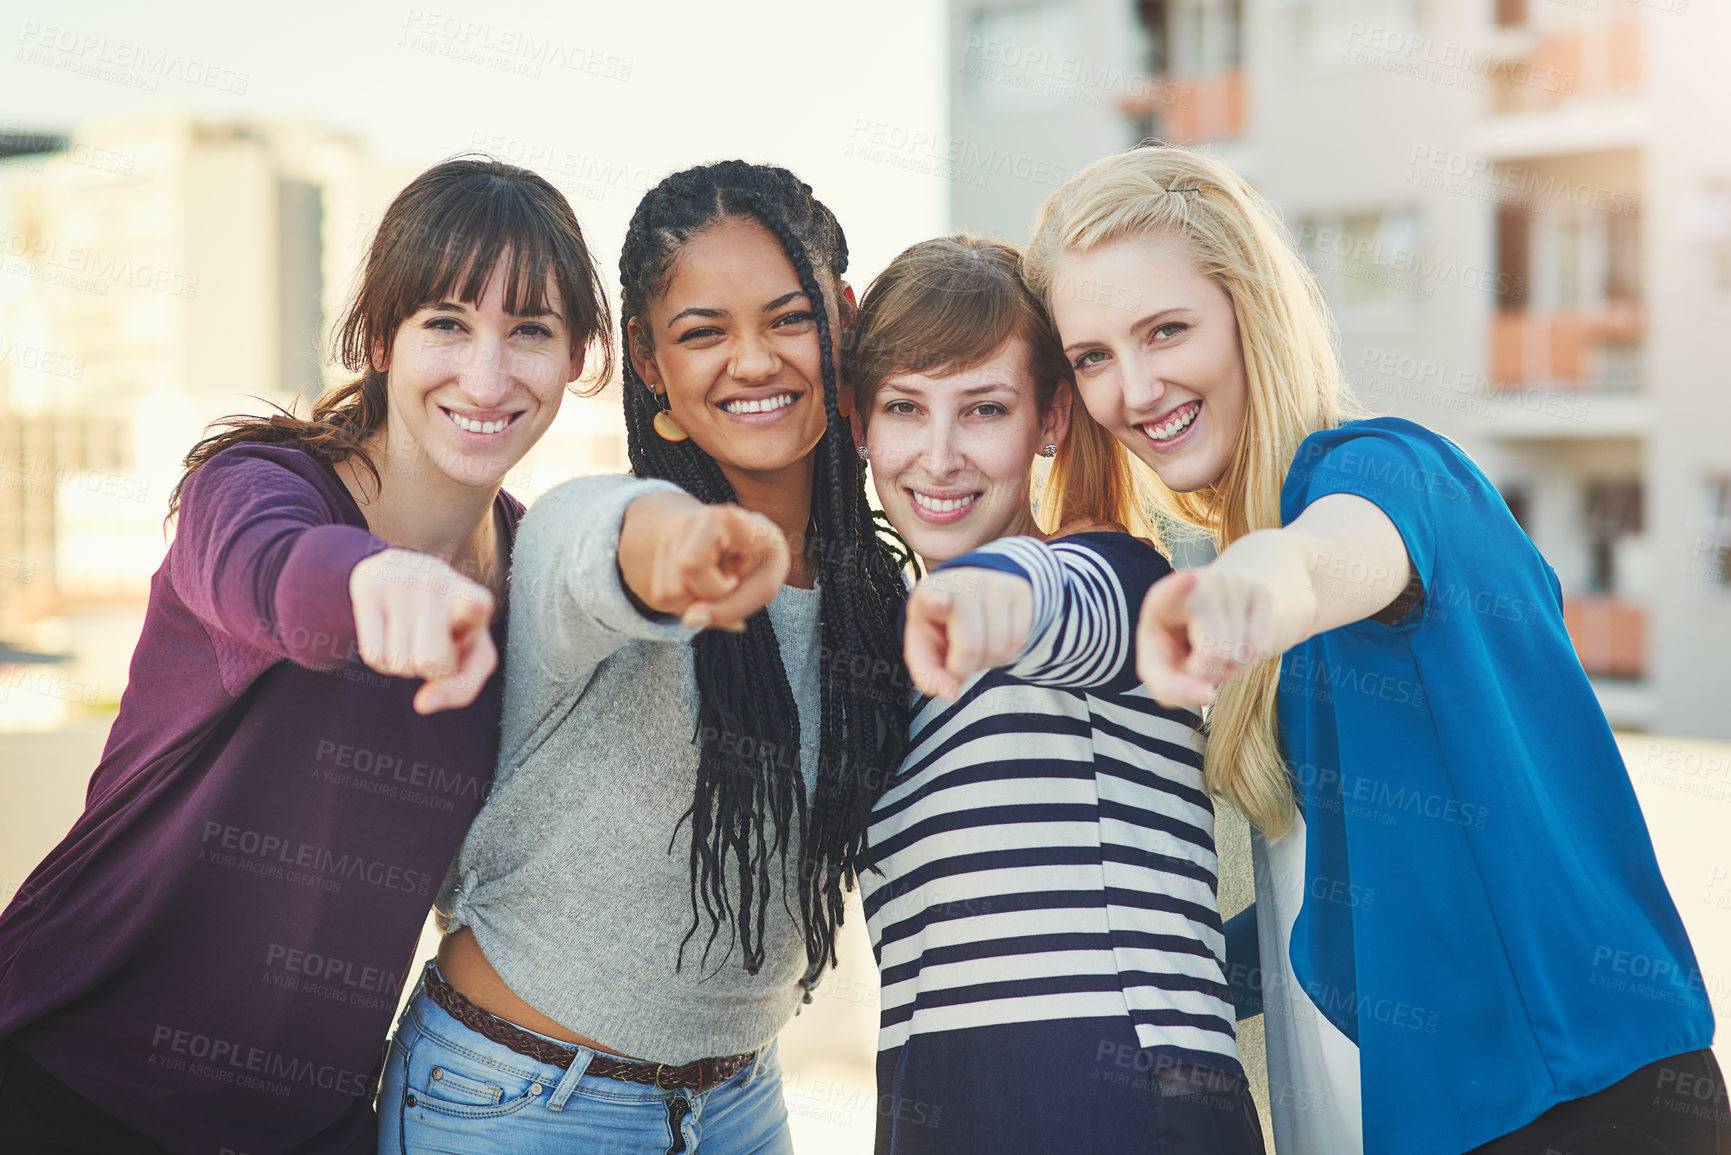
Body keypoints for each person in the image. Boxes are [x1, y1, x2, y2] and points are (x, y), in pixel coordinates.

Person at [1024, 142, 1729, 1155]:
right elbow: (1365, 912)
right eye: (1092, 358)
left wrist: (1239, 599)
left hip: (1587, 1110)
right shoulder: (1277, 553)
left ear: (1248, 314)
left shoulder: (1381, 472)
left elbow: (1318, 564)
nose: (1133, 390)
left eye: (1166, 329)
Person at [0, 157, 611, 1154]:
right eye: (448, 323)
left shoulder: (539, 577)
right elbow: (268, 570)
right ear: (380, 338)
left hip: (308, 1126)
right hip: (68, 1082)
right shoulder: (257, 489)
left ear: (578, 355)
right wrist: (382, 586)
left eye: (531, 330)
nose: (489, 375)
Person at [376, 160, 911, 1154]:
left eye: (788, 319)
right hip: (518, 1104)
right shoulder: (592, 526)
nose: (751, 362)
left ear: (843, 319)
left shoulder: (876, 602)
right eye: (702, 332)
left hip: (740, 1104)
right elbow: (617, 543)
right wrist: (692, 553)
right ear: (649, 362)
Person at [847, 234, 1264, 1154]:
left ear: (1049, 422)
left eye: (984, 409)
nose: (940, 455)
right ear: (860, 429)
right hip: (935, 1111)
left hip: (1117, 1105)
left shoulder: (1105, 568)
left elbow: (1081, 606)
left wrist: (999, 597)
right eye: (905, 408)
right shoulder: (888, 671)